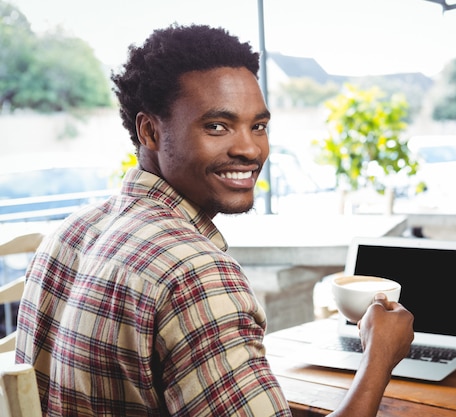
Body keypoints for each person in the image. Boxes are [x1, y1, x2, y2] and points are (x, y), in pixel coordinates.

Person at [15, 24, 414, 416]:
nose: (249, 148)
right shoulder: (194, 273)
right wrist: (378, 358)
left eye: (258, 126)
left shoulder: (69, 233)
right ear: (150, 131)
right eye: (217, 126)